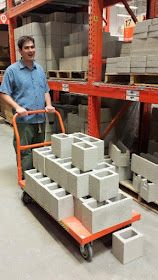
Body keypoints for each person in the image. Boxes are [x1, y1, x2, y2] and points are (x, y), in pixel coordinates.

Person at [0, 35, 55, 178]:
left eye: (32, 47)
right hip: (24, 121)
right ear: (20, 51)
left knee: (39, 149)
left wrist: (48, 105)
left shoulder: (40, 69)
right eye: (26, 48)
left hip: (40, 118)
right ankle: (26, 182)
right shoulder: (12, 70)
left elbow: (45, 91)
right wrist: (17, 107)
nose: (30, 50)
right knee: (24, 151)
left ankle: (36, 179)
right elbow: (4, 93)